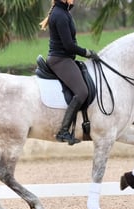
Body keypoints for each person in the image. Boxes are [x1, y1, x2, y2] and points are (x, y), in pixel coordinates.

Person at [40, 0, 99, 145]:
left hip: (65, 58)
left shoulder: (64, 11)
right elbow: (69, 46)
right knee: (82, 92)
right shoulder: (60, 15)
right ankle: (63, 131)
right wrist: (87, 53)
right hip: (60, 60)